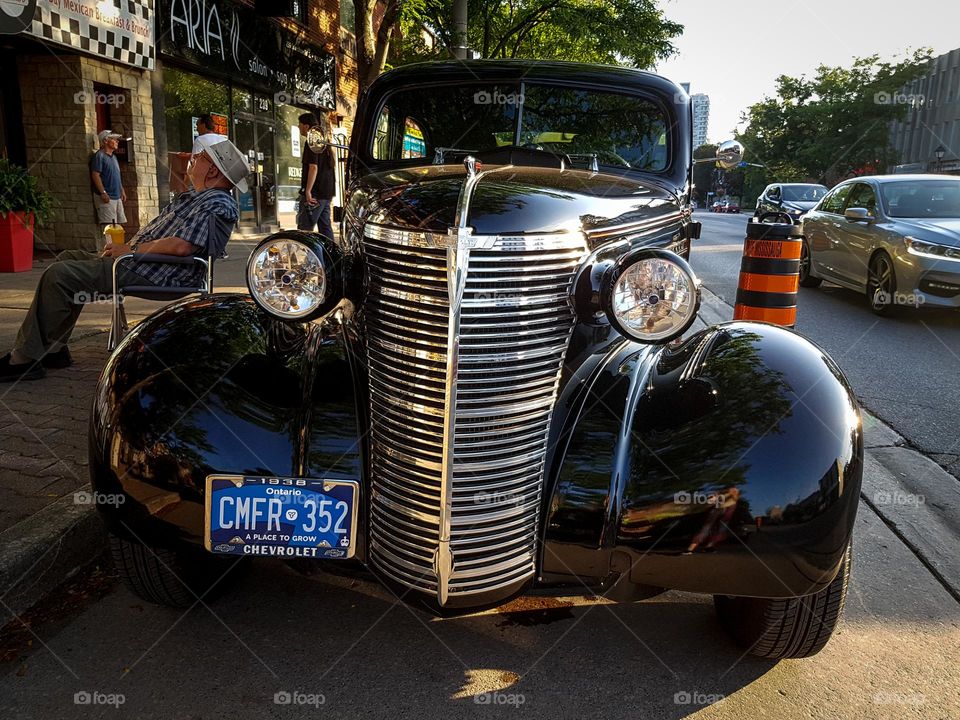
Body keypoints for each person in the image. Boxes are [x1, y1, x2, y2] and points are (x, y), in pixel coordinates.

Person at [0, 138, 249, 382]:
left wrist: (131, 249)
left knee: (60, 275)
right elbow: (182, 214)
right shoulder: (200, 196)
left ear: (214, 169)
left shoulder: (216, 200)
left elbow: (182, 246)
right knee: (67, 259)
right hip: (148, 264)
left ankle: (24, 358)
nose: (193, 158)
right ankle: (54, 349)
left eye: (200, 157)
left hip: (158, 270)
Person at [296, 112, 335, 239]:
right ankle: (332, 257)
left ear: (306, 126)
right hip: (326, 192)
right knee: (325, 228)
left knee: (305, 230)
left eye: (300, 124)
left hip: (315, 193)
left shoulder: (311, 142)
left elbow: (313, 167)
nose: (298, 127)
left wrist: (308, 191)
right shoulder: (323, 142)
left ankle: (307, 257)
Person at [90, 130, 126, 230]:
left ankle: (118, 245)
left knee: (119, 226)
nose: (117, 141)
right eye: (114, 139)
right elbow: (95, 175)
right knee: (109, 227)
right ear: (106, 141)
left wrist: (121, 190)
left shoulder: (114, 157)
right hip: (107, 197)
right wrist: (103, 192)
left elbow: (116, 175)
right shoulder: (99, 156)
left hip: (116, 196)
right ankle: (109, 245)